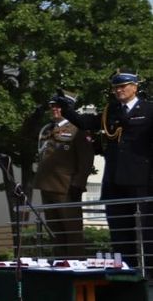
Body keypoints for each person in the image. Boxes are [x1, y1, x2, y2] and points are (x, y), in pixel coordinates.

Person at [57, 72, 153, 270]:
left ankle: (148, 271)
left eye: (123, 86)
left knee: (145, 228)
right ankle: (126, 268)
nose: (119, 90)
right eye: (116, 88)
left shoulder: (149, 109)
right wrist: (66, 109)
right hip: (114, 178)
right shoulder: (111, 110)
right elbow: (86, 122)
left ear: (135, 87)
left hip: (141, 178)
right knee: (119, 227)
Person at [35, 95, 95, 258]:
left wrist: (78, 184)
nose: (54, 109)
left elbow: (86, 160)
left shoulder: (77, 129)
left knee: (71, 230)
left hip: (66, 187)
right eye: (52, 106)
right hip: (47, 184)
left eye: (58, 106)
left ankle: (76, 263)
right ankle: (60, 263)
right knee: (55, 231)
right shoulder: (47, 129)